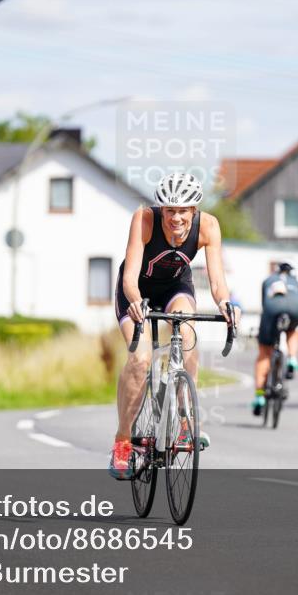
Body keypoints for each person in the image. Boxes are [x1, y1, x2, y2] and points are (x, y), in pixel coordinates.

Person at [109, 172, 240, 479]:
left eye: (183, 211)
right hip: (135, 291)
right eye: (170, 210)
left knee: (189, 332)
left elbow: (218, 280)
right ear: (161, 209)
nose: (176, 218)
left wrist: (224, 303)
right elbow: (129, 276)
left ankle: (184, 422)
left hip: (175, 287)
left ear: (193, 212)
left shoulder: (208, 226)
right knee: (140, 360)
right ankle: (123, 441)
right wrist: (136, 300)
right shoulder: (144, 219)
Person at [252, 262, 298, 415]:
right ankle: (292, 359)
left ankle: (259, 397)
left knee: (264, 352)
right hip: (297, 308)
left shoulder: (269, 280)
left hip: (273, 309)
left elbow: (265, 304)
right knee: (293, 329)